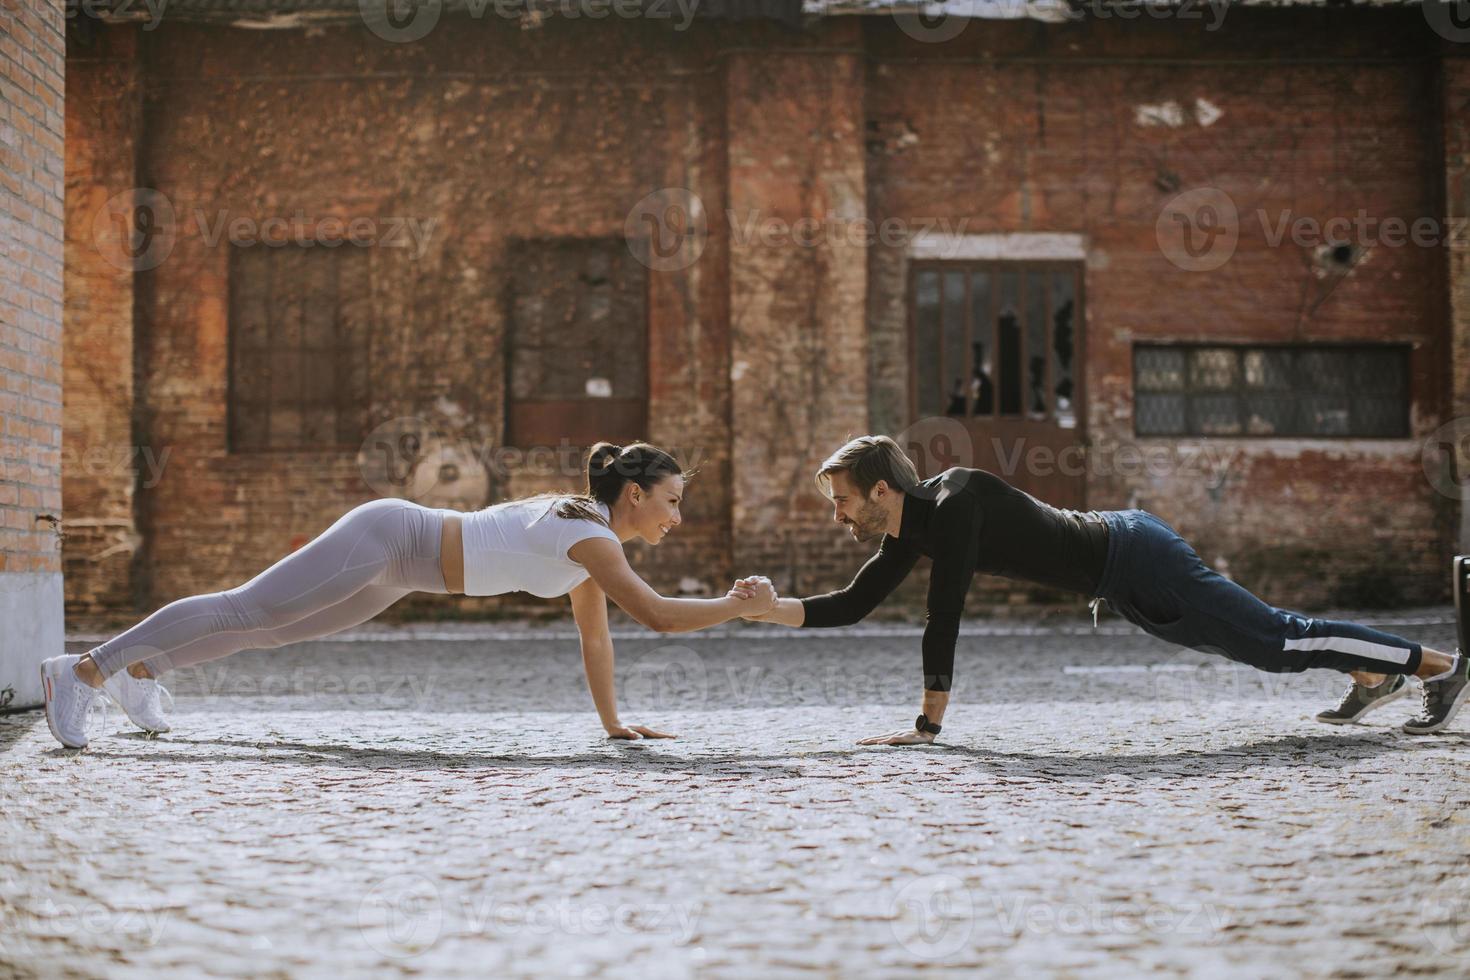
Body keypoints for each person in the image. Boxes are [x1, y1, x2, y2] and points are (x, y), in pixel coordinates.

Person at [733, 435, 1468, 744]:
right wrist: (770, 611)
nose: (837, 514)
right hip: (1121, 583)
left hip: (1137, 554)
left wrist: (928, 728)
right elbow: (854, 604)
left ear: (882, 490)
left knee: (1276, 634)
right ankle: (1370, 675)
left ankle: (1437, 664)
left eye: (842, 500)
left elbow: (942, 612)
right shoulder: (910, 527)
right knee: (1261, 653)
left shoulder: (954, 505)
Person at [41, 442, 776, 749]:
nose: (677, 518)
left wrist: (615, 724)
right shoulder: (591, 535)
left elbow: (598, 634)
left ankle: (142, 674)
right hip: (393, 539)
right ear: (636, 493)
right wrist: (737, 605)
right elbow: (655, 615)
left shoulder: (591, 541)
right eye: (672, 501)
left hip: (402, 571)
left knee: (270, 631)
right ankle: (84, 671)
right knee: (249, 607)